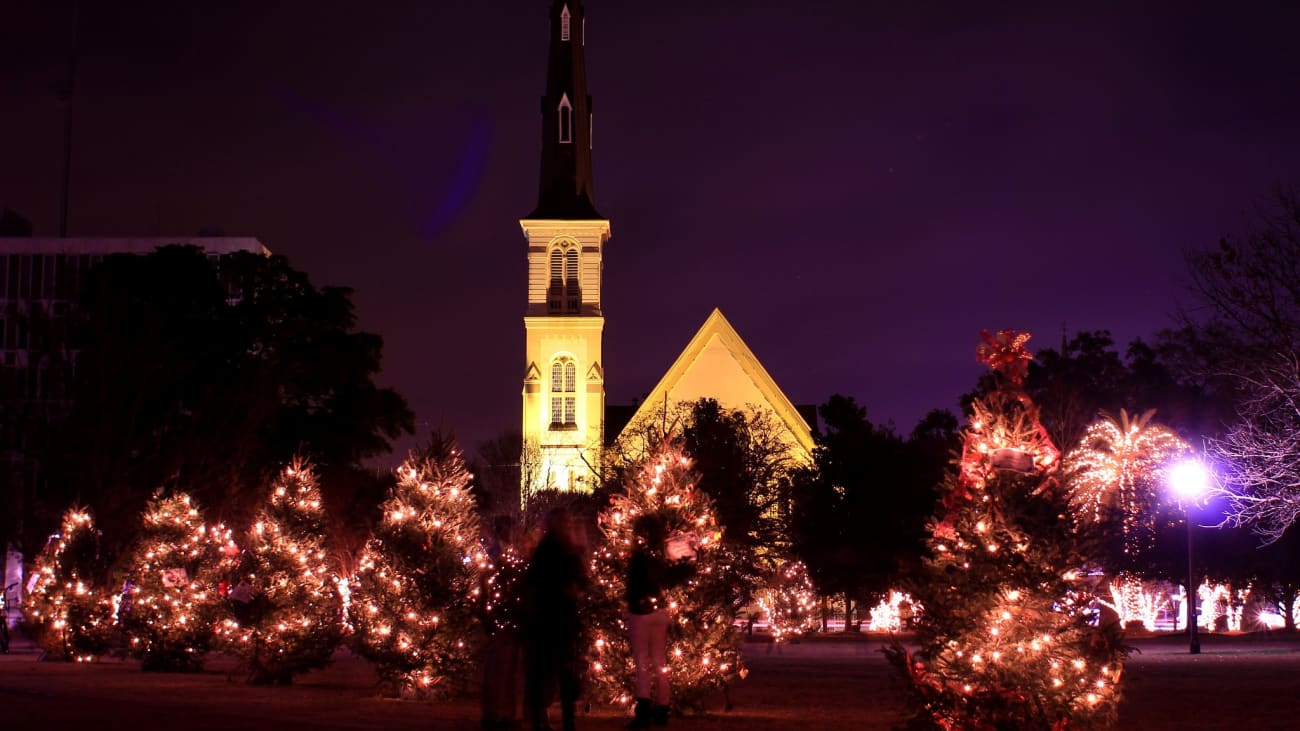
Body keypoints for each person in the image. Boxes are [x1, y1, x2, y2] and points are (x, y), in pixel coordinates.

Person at [624, 514, 695, 729]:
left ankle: (644, 710)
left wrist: (632, 600)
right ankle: (662, 708)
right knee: (659, 662)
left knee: (642, 663)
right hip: (660, 612)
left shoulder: (639, 558)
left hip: (641, 613)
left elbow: (633, 587)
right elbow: (672, 577)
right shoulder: (663, 554)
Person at [522, 507, 587, 731]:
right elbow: (538, 580)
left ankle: (558, 719)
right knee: (551, 670)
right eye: (565, 522)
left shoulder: (563, 549)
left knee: (557, 670)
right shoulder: (549, 549)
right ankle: (547, 718)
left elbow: (579, 576)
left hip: (558, 617)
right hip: (552, 616)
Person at [481, 515, 525, 730]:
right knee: (500, 667)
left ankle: (504, 713)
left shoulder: (508, 552)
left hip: (507, 616)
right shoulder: (496, 554)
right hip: (501, 616)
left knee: (507, 668)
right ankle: (495, 714)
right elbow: (490, 584)